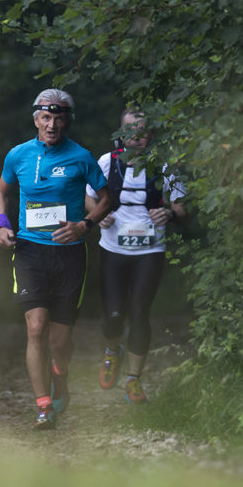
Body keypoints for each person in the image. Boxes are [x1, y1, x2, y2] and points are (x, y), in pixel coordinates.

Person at [0, 88, 112, 430]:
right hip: (30, 251)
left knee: (60, 342)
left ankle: (61, 374)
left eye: (59, 118)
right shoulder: (18, 155)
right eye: (46, 117)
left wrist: (85, 226)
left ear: (67, 121)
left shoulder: (82, 157)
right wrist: (1, 225)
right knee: (35, 327)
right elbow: (1, 192)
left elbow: (107, 199)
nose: (52, 124)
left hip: (69, 255)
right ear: (36, 120)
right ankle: (43, 406)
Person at [86, 108, 187, 404]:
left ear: (151, 135)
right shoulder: (107, 162)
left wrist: (168, 212)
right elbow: (87, 194)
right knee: (113, 315)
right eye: (130, 131)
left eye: (142, 131)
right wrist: (95, 215)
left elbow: (182, 208)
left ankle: (133, 379)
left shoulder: (165, 166)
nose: (137, 138)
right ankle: (112, 352)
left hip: (150, 251)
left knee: (140, 313)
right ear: (120, 134)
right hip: (113, 249)